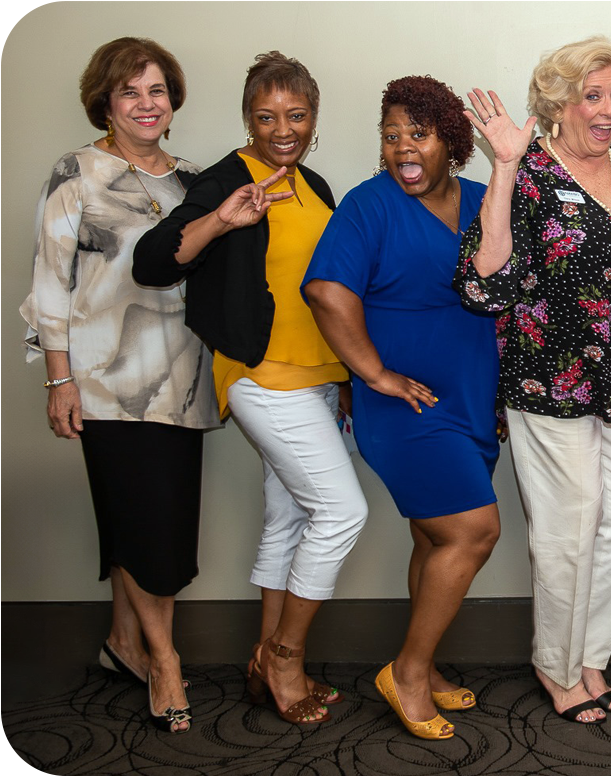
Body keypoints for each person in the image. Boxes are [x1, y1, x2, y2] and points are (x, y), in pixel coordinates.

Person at [134, 52, 367, 726]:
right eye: (266, 117)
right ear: (248, 118)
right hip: (263, 377)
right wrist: (222, 221)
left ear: (313, 118)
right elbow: (153, 261)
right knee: (341, 511)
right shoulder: (227, 180)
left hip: (320, 377)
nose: (281, 128)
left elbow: (333, 290)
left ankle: (261, 659)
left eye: (295, 115)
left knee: (292, 516)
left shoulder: (315, 183)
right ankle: (286, 657)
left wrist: (349, 373)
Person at [454, 36, 611, 725]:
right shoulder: (528, 172)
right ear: (558, 102)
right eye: (592, 94)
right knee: (568, 531)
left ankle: (590, 656)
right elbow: (482, 285)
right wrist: (504, 167)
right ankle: (556, 667)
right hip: (548, 383)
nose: (607, 108)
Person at [19, 37, 218, 734]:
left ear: (173, 100)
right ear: (105, 101)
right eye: (130, 92)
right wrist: (59, 378)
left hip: (185, 377)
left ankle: (124, 643)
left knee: (149, 522)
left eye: (156, 90)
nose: (146, 104)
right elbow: (51, 283)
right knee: (144, 524)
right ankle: (164, 662)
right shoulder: (76, 171)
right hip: (103, 383)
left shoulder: (195, 181)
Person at [303, 75, 500, 741]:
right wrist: (375, 374)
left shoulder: (480, 200)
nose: (401, 148)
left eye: (417, 134)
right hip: (408, 411)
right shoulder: (368, 206)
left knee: (432, 535)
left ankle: (428, 663)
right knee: (472, 530)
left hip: (472, 399)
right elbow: (328, 292)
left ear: (452, 141)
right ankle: (408, 672)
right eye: (390, 137)